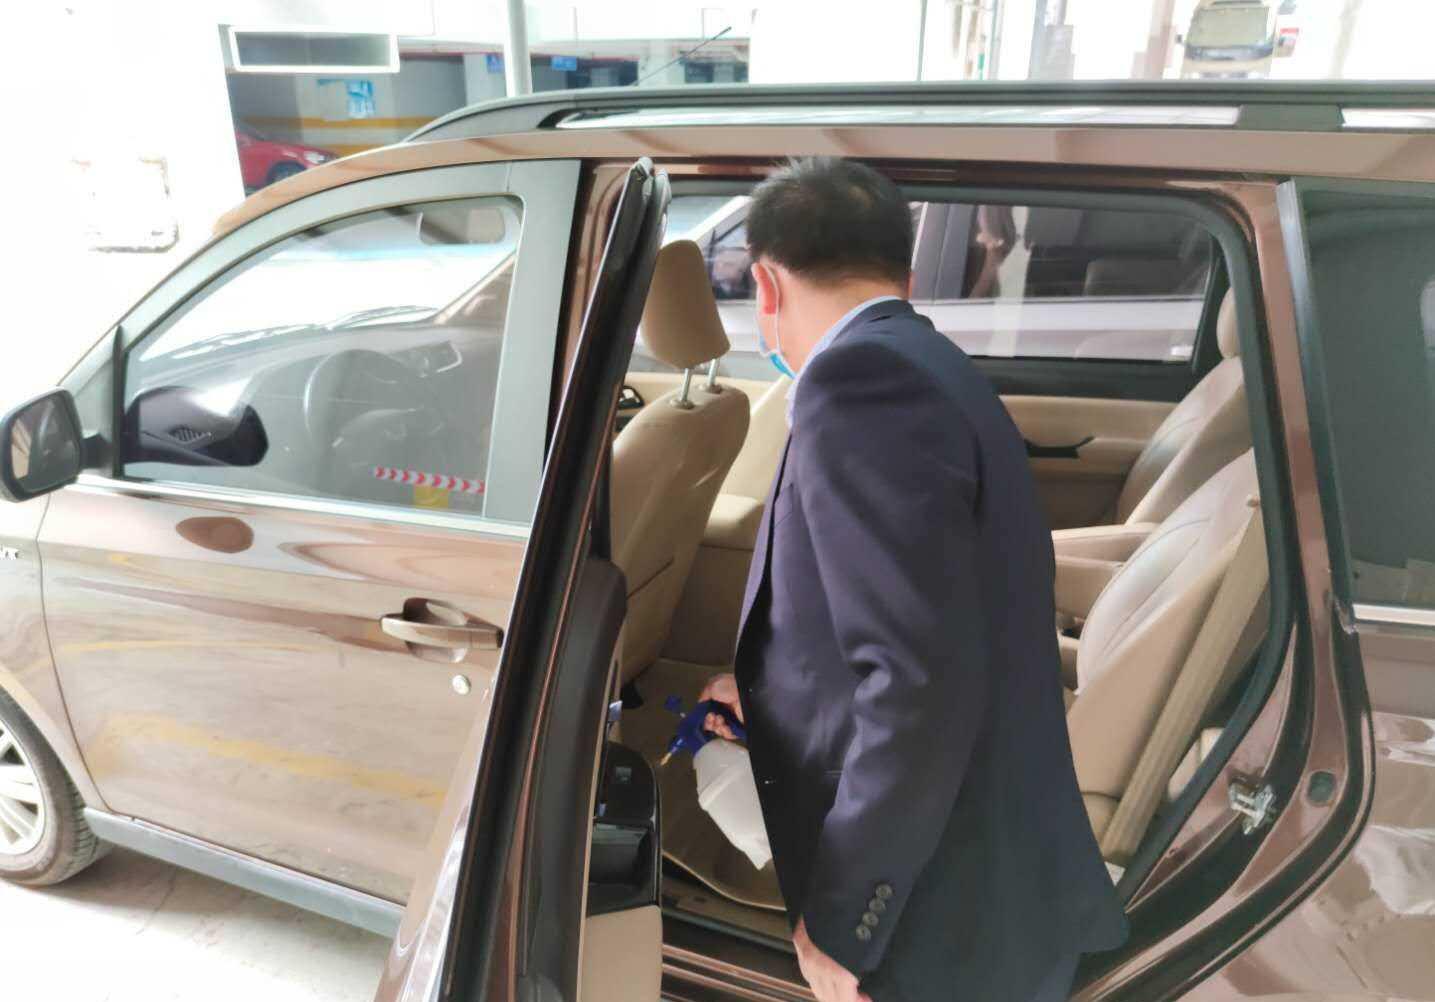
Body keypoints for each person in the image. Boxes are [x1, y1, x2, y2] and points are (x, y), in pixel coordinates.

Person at [698, 158, 1127, 1002]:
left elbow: (916, 680)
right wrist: (770, 697)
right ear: (904, 271)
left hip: (939, 909)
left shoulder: (856, 384)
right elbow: (925, 615)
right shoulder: (924, 359)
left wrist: (843, 917)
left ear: (766, 284)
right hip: (984, 857)